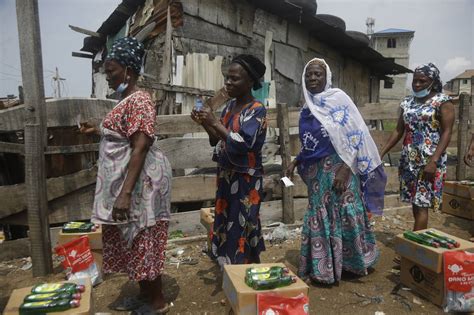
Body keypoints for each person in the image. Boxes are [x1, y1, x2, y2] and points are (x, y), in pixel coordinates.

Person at [81, 37, 172, 314]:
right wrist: (97, 131)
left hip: (141, 184)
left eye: (112, 71)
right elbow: (122, 136)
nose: (107, 77)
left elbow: (141, 145)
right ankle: (145, 296)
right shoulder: (127, 100)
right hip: (130, 183)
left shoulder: (141, 100)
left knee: (143, 235)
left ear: (129, 71)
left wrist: (125, 193)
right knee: (131, 238)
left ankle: (157, 303)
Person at [285, 58, 386, 284]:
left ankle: (353, 263)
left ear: (327, 77)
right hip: (316, 172)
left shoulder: (338, 100)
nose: (312, 78)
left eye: (317, 74)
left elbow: (355, 134)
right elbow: (311, 142)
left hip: (340, 168)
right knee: (320, 213)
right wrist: (296, 160)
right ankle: (324, 268)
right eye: (309, 75)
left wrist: (346, 168)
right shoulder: (307, 107)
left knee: (345, 212)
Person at [190, 54, 267, 266]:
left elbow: (242, 144)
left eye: (235, 79)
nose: (228, 83)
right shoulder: (229, 107)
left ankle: (243, 267)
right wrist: (205, 122)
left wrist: (214, 121)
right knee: (226, 223)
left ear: (250, 82)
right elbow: (215, 139)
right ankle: (231, 266)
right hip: (226, 176)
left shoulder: (256, 110)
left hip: (245, 180)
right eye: (227, 78)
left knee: (243, 223)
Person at [381, 63, 455, 234]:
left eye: (423, 81)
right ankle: (417, 247)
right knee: (415, 203)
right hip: (409, 160)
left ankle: (414, 251)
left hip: (429, 162)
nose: (417, 84)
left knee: (422, 205)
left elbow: (447, 132)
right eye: (415, 80)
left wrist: (434, 161)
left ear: (433, 81)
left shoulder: (443, 102)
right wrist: (382, 152)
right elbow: (399, 130)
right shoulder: (407, 102)